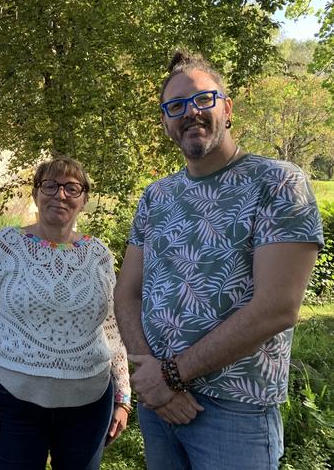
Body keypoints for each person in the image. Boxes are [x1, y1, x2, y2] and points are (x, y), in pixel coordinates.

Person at [114, 50, 323, 470]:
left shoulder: (278, 182)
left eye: (202, 99)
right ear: (165, 122)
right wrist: (150, 378)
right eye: (175, 107)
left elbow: (277, 309)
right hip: (158, 409)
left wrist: (170, 376)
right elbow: (126, 293)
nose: (190, 113)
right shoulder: (156, 197)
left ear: (227, 108)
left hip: (234, 412)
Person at [0, 155, 131, 470]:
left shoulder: (99, 254)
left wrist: (123, 396)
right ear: (36, 194)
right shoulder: (4, 246)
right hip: (15, 404)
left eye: (72, 187)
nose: (61, 195)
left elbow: (112, 326)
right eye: (50, 185)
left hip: (90, 403)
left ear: (84, 200)